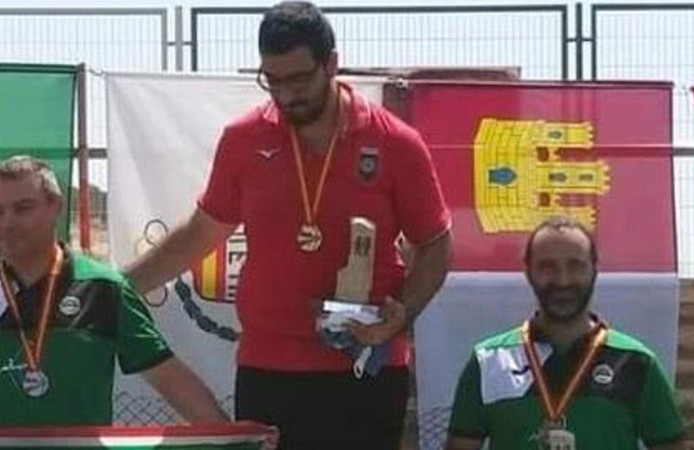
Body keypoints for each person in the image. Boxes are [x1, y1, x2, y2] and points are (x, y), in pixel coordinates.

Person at [123, 1, 452, 448]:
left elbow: (435, 244)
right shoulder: (244, 138)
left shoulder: (395, 142)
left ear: (331, 63)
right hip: (269, 369)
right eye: (272, 80)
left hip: (365, 368)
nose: (285, 95)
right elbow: (202, 232)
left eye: (298, 80)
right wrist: (116, 286)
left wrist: (403, 312)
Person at [0, 155, 231, 426]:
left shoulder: (104, 289)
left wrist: (235, 440)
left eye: (23, 208)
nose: (7, 223)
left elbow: (170, 380)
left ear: (56, 206)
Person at [446, 216, 685, 450]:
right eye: (547, 267)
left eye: (575, 266)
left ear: (594, 270)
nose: (563, 280)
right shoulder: (489, 361)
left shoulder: (636, 363)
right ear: (528, 272)